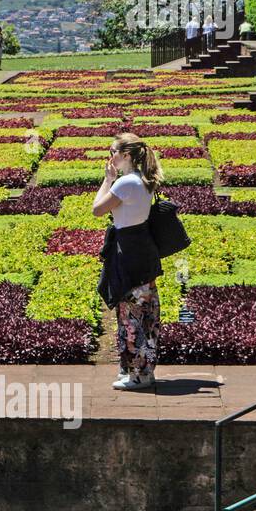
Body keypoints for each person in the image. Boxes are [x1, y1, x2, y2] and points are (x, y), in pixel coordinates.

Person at [93, 134, 165, 391]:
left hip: (130, 252)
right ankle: (141, 371)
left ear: (126, 155)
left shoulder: (125, 184)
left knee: (131, 314)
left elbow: (97, 209)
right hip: (143, 248)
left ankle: (138, 375)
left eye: (113, 151)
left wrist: (107, 179)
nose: (110, 156)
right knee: (145, 314)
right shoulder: (143, 180)